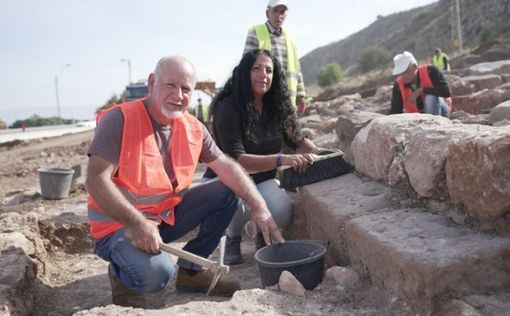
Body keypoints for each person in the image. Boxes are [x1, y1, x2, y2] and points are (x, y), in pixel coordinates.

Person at [86, 55, 284, 308]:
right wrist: (136, 222)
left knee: (227, 191)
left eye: (186, 88)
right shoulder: (120, 120)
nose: (179, 95)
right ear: (152, 83)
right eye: (171, 85)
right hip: (120, 226)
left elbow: (226, 167)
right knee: (158, 275)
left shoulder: (193, 128)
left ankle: (192, 271)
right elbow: (95, 180)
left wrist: (260, 206)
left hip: (162, 219)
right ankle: (123, 276)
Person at [203, 49, 317, 265]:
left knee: (283, 211)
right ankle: (232, 236)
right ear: (245, 72)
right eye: (256, 68)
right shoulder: (228, 107)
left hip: (262, 178)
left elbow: (297, 140)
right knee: (232, 200)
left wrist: (319, 153)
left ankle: (258, 231)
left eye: (269, 70)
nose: (263, 74)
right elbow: (238, 160)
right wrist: (282, 160)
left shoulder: (276, 106)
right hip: (228, 179)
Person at [243, 0, 307, 115]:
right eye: (275, 11)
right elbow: (246, 67)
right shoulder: (256, 32)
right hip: (264, 100)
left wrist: (300, 95)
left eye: (282, 12)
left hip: (287, 101)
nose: (279, 15)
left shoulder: (290, 38)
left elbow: (297, 69)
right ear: (267, 13)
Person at [390, 51, 452, 117]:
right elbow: (395, 110)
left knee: (430, 98)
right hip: (416, 118)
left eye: (405, 71)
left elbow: (446, 92)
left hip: (440, 110)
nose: (403, 76)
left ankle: (432, 124)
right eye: (400, 73)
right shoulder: (398, 85)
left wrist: (422, 90)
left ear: (415, 66)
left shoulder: (430, 71)